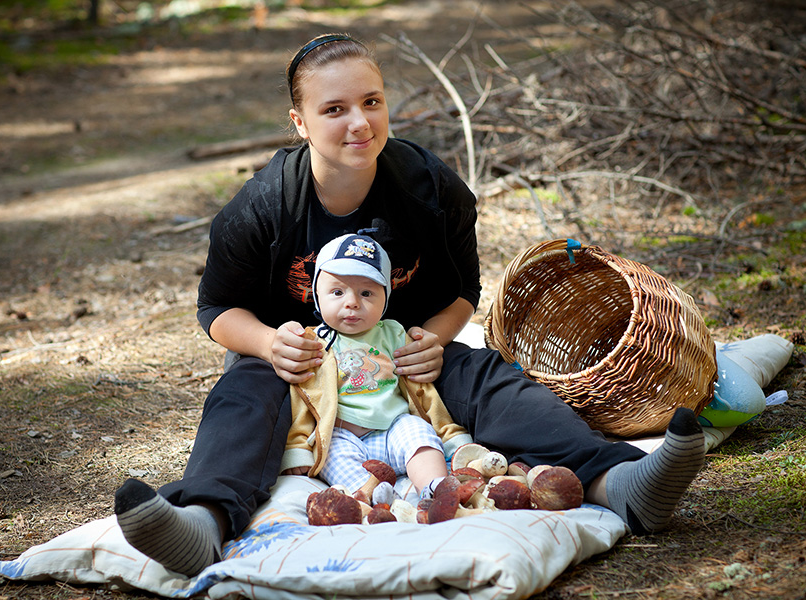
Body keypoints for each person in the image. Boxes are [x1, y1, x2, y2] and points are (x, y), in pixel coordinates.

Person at [113, 33, 706, 578]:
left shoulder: (430, 188)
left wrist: (436, 340)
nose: (359, 123)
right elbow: (216, 310)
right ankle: (204, 521)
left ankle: (617, 481)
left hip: (402, 361)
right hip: (296, 369)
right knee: (244, 390)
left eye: (371, 101)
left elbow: (461, 294)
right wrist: (270, 343)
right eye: (334, 109)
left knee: (485, 373)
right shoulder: (262, 207)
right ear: (299, 122)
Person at [284, 232, 472, 500]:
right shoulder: (315, 342)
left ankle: (436, 488)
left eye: (367, 293)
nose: (352, 302)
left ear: (385, 298)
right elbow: (304, 398)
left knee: (419, 434)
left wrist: (448, 432)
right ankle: (374, 498)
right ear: (316, 296)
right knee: (330, 453)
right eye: (337, 292)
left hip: (393, 428)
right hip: (343, 435)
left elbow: (422, 389)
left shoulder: (394, 335)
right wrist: (298, 445)